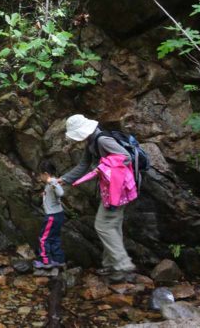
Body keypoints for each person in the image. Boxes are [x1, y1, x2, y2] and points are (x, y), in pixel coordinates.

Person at [55, 114, 136, 277]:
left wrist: (104, 165)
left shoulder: (102, 140)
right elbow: (83, 165)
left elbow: (126, 157)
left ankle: (122, 264)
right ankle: (112, 264)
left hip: (118, 189)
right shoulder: (92, 142)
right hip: (114, 188)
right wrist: (64, 179)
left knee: (103, 225)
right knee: (112, 224)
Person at [33, 171, 66, 270]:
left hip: (52, 216)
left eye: (40, 175)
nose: (39, 178)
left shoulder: (52, 182)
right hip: (58, 214)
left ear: (46, 173)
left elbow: (61, 193)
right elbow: (54, 193)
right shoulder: (50, 184)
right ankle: (58, 259)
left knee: (44, 238)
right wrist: (44, 195)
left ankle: (45, 261)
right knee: (55, 237)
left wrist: (51, 181)